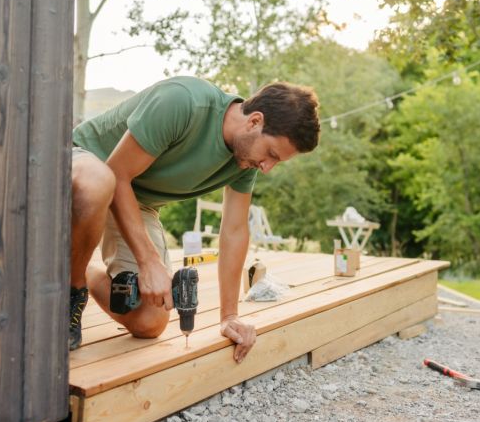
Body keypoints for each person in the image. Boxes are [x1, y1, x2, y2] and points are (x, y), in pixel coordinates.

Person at [68, 76, 320, 364]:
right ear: (254, 122)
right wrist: (149, 261)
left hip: (137, 202)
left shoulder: (245, 159)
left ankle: (81, 267)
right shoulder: (184, 102)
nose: (267, 168)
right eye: (271, 154)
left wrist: (228, 317)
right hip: (89, 166)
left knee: (150, 320)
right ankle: (72, 294)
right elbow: (117, 172)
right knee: (97, 181)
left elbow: (235, 231)